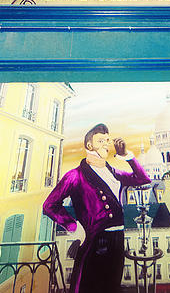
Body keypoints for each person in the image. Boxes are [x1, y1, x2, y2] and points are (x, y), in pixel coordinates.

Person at [43, 123, 150, 293]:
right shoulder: (75, 176)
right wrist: (75, 228)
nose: (106, 144)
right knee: (89, 286)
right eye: (101, 141)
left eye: (107, 140)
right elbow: (49, 206)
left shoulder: (114, 172)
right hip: (96, 240)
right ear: (89, 145)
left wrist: (126, 156)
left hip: (118, 239)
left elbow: (143, 179)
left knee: (112, 286)